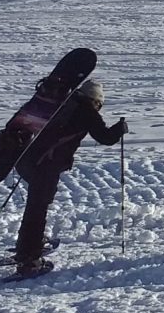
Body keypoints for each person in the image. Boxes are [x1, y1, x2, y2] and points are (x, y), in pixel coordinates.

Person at [12, 78, 128, 276]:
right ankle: (29, 260)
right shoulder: (86, 111)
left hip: (28, 158)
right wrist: (120, 128)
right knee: (37, 209)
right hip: (46, 164)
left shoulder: (63, 102)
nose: (98, 108)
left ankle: (29, 246)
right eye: (99, 104)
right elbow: (105, 138)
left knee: (36, 205)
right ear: (95, 100)